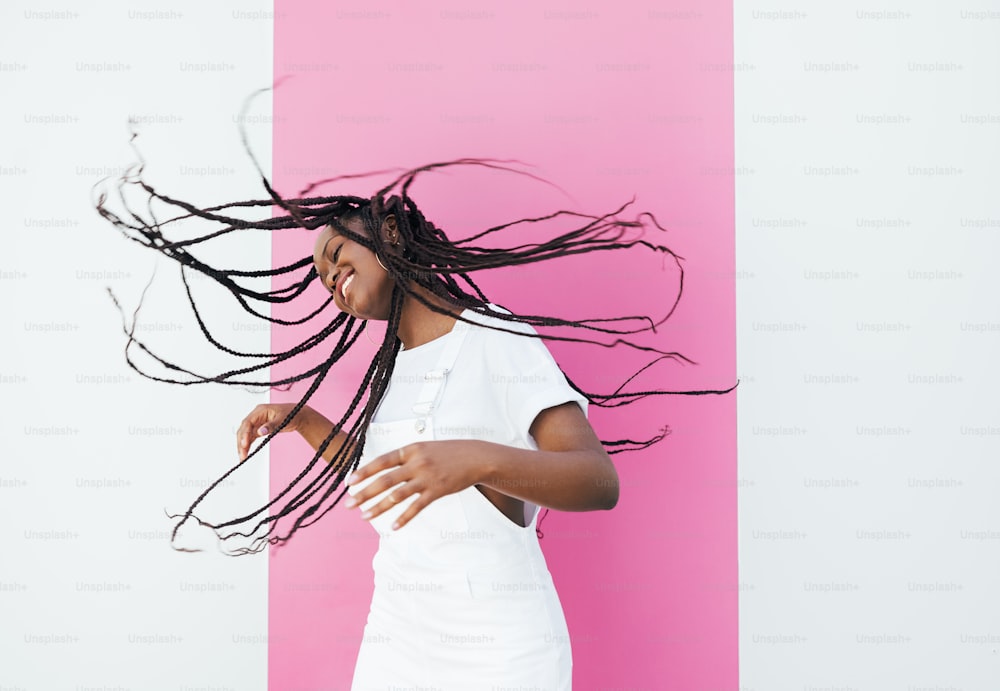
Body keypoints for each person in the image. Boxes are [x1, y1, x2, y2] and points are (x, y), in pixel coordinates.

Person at [97, 153, 735, 689]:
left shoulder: (496, 338)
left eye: (339, 255)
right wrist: (308, 420)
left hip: (499, 650)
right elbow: (391, 477)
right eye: (321, 277)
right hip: (398, 641)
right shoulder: (391, 371)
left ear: (392, 238)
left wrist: (479, 459)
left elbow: (599, 482)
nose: (330, 279)